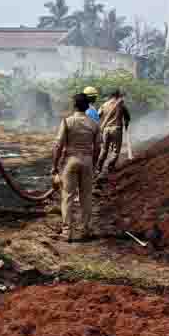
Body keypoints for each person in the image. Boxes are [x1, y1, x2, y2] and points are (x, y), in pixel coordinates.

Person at [51, 93, 100, 242]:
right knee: (86, 197)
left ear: (75, 105)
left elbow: (58, 145)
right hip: (87, 161)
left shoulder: (67, 122)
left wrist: (55, 166)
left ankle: (67, 233)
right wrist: (94, 163)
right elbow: (98, 148)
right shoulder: (94, 124)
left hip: (71, 161)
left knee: (68, 197)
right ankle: (85, 230)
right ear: (87, 106)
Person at [96, 88, 132, 175]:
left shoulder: (104, 105)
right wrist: (126, 124)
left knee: (104, 150)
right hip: (116, 129)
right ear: (118, 95)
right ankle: (109, 166)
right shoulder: (121, 105)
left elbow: (97, 116)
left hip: (106, 129)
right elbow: (127, 117)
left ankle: (98, 168)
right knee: (115, 151)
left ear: (110, 96)